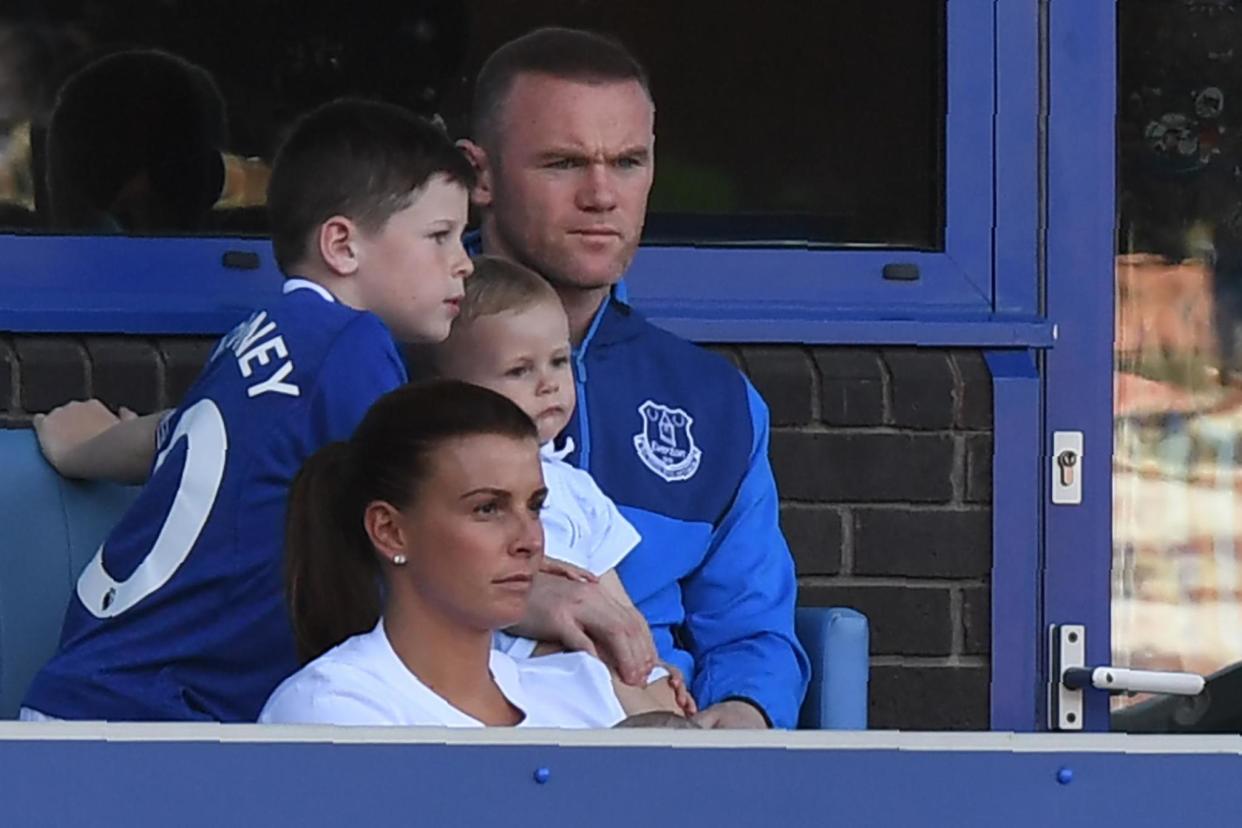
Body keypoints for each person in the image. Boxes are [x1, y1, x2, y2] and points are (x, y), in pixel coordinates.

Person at [21, 98, 474, 722]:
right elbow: (429, 510)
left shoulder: (259, 338)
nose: (465, 262)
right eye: (439, 236)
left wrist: (83, 447)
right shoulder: (351, 341)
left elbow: (179, 433)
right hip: (164, 728)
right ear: (343, 245)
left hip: (84, 697)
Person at [458, 27, 810, 729]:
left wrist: (744, 711)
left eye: (626, 162)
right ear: (481, 175)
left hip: (657, 759)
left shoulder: (714, 402)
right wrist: (502, 599)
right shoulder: (401, 353)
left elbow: (749, 630)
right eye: (562, 163)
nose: (601, 194)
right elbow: (313, 588)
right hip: (443, 745)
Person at [260, 380, 694, 728]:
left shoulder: (585, 685)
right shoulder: (332, 709)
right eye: (488, 508)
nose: (530, 539)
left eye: (535, 506)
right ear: (390, 531)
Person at [421, 254, 693, 716]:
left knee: (658, 696)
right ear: (453, 390)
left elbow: (611, 598)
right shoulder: (449, 486)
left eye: (558, 361)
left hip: (591, 653)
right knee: (600, 684)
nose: (548, 385)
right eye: (520, 371)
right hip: (513, 663)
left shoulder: (578, 487)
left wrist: (648, 662)